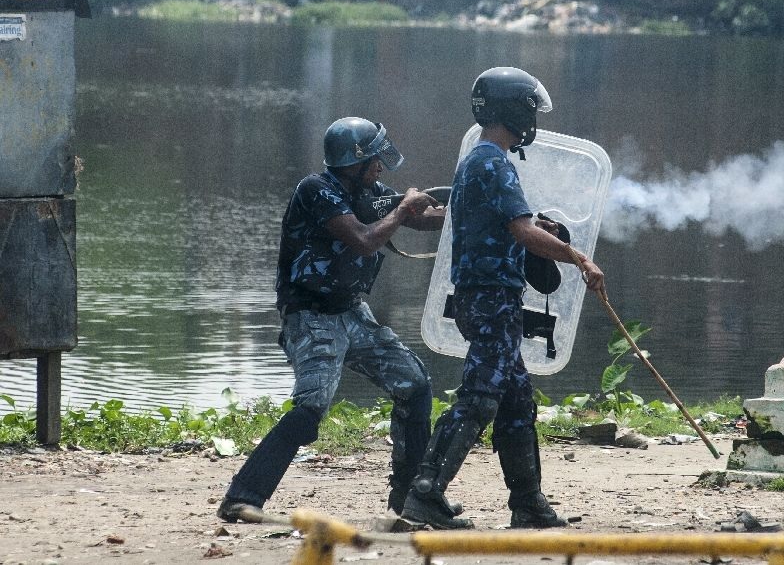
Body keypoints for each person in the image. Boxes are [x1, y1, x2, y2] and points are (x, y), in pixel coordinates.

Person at [400, 67, 605, 530]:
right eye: (529, 109)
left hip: (489, 298)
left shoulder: (481, 160)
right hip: (492, 299)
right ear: (514, 110)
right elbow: (522, 231)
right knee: (479, 397)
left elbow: (512, 227)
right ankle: (425, 494)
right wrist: (579, 259)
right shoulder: (493, 163)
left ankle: (528, 504)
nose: (532, 118)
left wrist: (541, 234)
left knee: (515, 402)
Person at [218, 116, 445, 522]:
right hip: (310, 316)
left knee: (414, 383)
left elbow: (417, 218)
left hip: (350, 311)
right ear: (353, 161)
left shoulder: (369, 190)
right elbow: (362, 240)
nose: (380, 167)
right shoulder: (317, 191)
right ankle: (242, 496)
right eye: (374, 160)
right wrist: (403, 209)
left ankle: (409, 500)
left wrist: (454, 209)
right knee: (310, 409)